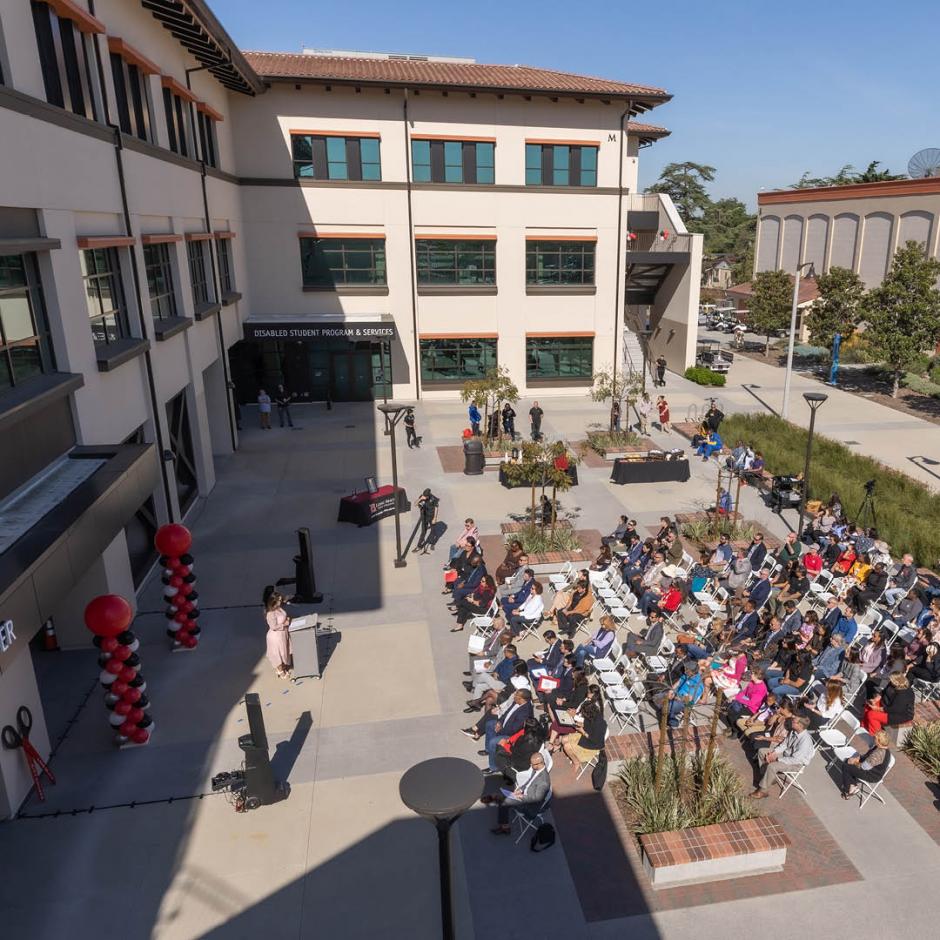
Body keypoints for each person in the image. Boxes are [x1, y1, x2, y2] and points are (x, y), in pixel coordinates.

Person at [751, 715, 814, 798]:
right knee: (762, 751)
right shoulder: (793, 731)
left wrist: (777, 759)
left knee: (772, 766)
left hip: (796, 763)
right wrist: (774, 753)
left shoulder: (805, 742)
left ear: (800, 725)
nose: (791, 722)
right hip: (786, 755)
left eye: (794, 721)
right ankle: (767, 778)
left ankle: (763, 791)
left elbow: (795, 760)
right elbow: (784, 745)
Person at [490, 751, 551, 836]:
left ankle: (505, 828)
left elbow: (536, 799)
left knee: (503, 802)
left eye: (532, 764)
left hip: (530, 805)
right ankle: (505, 821)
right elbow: (529, 782)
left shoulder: (544, 782)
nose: (530, 766)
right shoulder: (537, 770)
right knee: (504, 797)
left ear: (539, 764)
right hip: (525, 795)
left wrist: (521, 797)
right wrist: (521, 789)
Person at [484, 690, 534, 771]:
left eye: (517, 696)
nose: (514, 696)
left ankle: (493, 767)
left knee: (493, 742)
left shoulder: (525, 712)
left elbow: (513, 730)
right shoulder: (516, 702)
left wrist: (500, 731)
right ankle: (488, 750)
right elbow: (506, 713)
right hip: (503, 726)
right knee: (489, 724)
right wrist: (499, 722)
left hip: (511, 735)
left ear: (523, 700)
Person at [840, 730, 892, 799]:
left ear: (879, 742)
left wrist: (854, 762)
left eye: (875, 738)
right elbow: (867, 757)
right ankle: (852, 785)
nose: (873, 739)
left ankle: (848, 791)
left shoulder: (879, 754)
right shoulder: (880, 747)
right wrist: (858, 758)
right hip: (869, 769)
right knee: (847, 761)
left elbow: (864, 767)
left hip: (872, 775)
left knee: (846, 766)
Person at [561, 699, 606, 774]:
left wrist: (582, 731)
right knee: (563, 739)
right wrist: (581, 725)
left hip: (593, 745)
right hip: (586, 735)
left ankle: (576, 762)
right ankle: (573, 755)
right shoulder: (593, 715)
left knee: (566, 746)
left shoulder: (600, 723)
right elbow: (588, 724)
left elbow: (595, 740)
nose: (582, 714)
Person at [264, 591, 292, 679]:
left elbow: (285, 600)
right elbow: (273, 627)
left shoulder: (278, 608)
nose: (281, 601)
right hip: (276, 637)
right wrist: (285, 624)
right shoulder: (270, 614)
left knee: (284, 652)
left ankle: (283, 666)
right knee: (278, 654)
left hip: (283, 634)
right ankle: (280, 671)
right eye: (279, 600)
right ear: (273, 601)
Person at [413, 488, 440, 554]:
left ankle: (432, 543)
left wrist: (435, 518)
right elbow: (415, 504)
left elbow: (436, 508)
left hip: (431, 517)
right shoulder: (422, 497)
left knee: (433, 531)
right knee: (423, 532)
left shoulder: (433, 498)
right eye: (424, 496)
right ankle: (419, 546)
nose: (425, 497)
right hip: (424, 517)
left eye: (426, 496)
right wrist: (420, 499)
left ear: (429, 495)